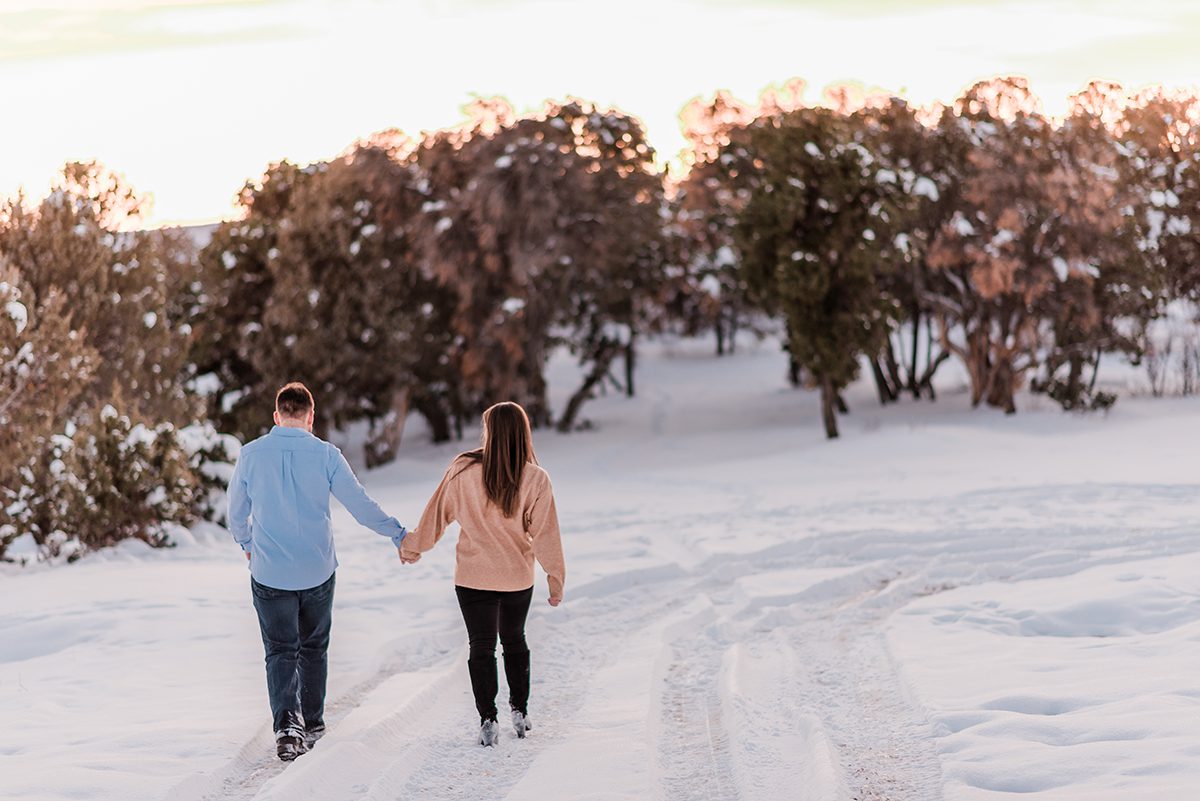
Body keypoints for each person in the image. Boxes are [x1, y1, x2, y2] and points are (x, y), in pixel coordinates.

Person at [227, 382, 408, 762]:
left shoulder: (250, 454)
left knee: (279, 650)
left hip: (270, 571)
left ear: (277, 416)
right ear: (311, 416)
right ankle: (312, 722)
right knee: (313, 648)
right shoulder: (327, 455)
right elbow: (360, 505)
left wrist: (247, 545)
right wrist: (398, 534)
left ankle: (287, 728)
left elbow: (236, 513)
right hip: (317, 571)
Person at [401, 401, 565, 747]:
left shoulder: (462, 470)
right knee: (514, 639)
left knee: (481, 646)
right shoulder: (535, 478)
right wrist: (555, 576)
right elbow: (546, 533)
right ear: (523, 433)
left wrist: (414, 545)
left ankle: (487, 718)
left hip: (473, 577)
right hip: (516, 576)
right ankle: (519, 711)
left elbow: (437, 515)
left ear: (490, 433)